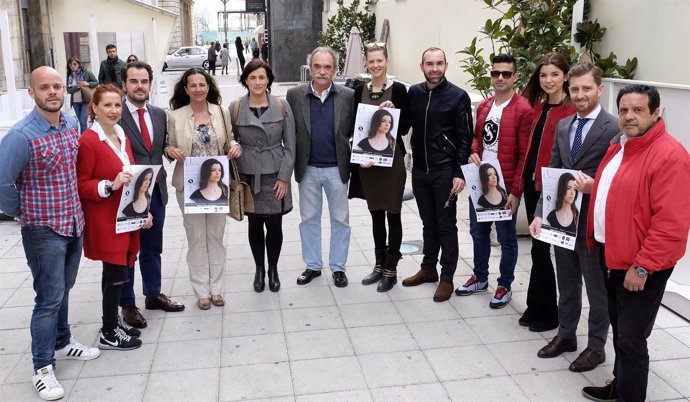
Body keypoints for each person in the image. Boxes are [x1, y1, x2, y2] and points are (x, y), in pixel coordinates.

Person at [581, 85, 690, 401]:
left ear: (656, 113)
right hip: (612, 255)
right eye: (624, 110)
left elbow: (671, 225)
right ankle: (621, 384)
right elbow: (622, 195)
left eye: (638, 110)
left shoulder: (670, 156)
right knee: (621, 331)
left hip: (640, 266)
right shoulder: (622, 147)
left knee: (631, 338)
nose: (629, 116)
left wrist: (641, 268)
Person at [0, 66, 101, 401]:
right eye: (45, 87)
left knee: (64, 288)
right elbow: (3, 185)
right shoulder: (20, 136)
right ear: (32, 93)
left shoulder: (72, 122)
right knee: (47, 299)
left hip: (73, 223)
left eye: (58, 86)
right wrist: (25, 212)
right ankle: (42, 368)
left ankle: (63, 339)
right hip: (44, 230)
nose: (53, 92)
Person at [529, 62, 618, 373]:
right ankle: (566, 335)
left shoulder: (615, 128)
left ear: (600, 89)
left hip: (595, 225)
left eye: (586, 89)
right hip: (562, 221)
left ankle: (596, 347)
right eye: (575, 89)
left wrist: (595, 186)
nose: (580, 95)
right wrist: (541, 214)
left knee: (597, 289)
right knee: (566, 283)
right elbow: (551, 174)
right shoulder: (564, 126)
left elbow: (621, 179)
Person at [455, 53, 531, 309]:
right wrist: (474, 151)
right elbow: (477, 137)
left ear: (515, 77)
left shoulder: (523, 110)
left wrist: (516, 191)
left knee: (507, 237)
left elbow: (524, 155)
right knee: (478, 232)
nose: (500, 78)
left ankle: (504, 284)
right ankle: (480, 277)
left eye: (506, 74)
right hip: (480, 181)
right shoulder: (485, 106)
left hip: (506, 184)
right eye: (496, 73)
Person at [76, 84, 146, 353]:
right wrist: (109, 185)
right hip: (104, 217)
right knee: (117, 273)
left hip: (126, 215)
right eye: (107, 105)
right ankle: (108, 332)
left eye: (117, 105)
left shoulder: (120, 134)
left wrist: (143, 210)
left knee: (118, 271)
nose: (114, 110)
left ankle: (112, 322)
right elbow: (81, 184)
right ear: (94, 107)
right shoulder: (88, 142)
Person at [165, 68, 241, 310]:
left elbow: (230, 139)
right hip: (189, 187)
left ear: (208, 87)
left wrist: (235, 146)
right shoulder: (175, 116)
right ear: (186, 89)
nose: (198, 89)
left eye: (202, 84)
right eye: (193, 85)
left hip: (218, 185)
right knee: (196, 238)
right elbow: (168, 145)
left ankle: (216, 289)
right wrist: (170, 151)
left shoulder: (221, 111)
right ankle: (201, 291)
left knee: (215, 237)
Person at [402, 47, 473, 302]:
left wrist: (459, 172)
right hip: (420, 170)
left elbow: (465, 138)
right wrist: (388, 109)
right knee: (428, 223)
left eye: (439, 63)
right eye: (429, 64)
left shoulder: (458, 96)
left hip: (445, 172)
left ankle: (447, 277)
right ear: (422, 67)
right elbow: (403, 126)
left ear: (446, 65)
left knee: (446, 226)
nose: (434, 68)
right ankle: (428, 268)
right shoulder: (415, 93)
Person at [119, 61, 184, 329]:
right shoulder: (115, 114)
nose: (139, 86)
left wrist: (169, 151)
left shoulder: (159, 114)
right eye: (133, 81)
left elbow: (162, 146)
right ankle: (127, 304)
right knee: (127, 251)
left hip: (155, 189)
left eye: (144, 81)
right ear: (124, 85)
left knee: (152, 247)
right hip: (125, 195)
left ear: (150, 83)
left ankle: (153, 294)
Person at [286, 47, 355, 288]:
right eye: (318, 66)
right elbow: (289, 130)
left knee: (340, 220)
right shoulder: (294, 95)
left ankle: (338, 267)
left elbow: (360, 129)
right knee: (309, 220)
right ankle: (313, 265)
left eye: (327, 67)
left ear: (335, 70)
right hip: (308, 168)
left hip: (338, 168)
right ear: (310, 68)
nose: (322, 71)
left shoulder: (347, 95)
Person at [518, 51, 576, 332]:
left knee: (548, 253)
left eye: (554, 74)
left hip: (555, 189)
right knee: (538, 251)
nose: (548, 80)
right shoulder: (539, 107)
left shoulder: (572, 110)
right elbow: (531, 150)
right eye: (543, 75)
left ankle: (550, 315)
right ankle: (536, 307)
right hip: (534, 186)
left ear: (565, 75)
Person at [230, 59, 296, 293]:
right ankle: (259, 268)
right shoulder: (236, 107)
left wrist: (284, 177)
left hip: (275, 173)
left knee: (275, 224)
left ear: (268, 79)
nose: (257, 82)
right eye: (252, 78)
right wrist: (234, 146)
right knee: (254, 224)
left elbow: (290, 145)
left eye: (262, 77)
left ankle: (273, 268)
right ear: (245, 80)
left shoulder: (281, 105)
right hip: (248, 173)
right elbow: (230, 137)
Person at [354, 43, 411, 292]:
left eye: (380, 61)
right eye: (371, 61)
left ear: (387, 61)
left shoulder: (398, 90)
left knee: (393, 214)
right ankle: (378, 265)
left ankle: (391, 269)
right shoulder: (358, 90)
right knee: (376, 213)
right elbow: (355, 129)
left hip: (392, 163)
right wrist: (358, 155)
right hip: (368, 163)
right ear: (366, 63)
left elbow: (407, 126)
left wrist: (395, 111)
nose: (376, 65)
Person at [65, 57, 97, 133]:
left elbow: (96, 82)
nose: (73, 66)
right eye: (70, 65)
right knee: (80, 121)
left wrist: (88, 83)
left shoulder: (86, 73)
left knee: (83, 121)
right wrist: (77, 87)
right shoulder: (69, 77)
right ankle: (85, 137)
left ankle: (83, 140)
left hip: (85, 100)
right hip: (75, 102)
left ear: (79, 64)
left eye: (75, 64)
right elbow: (69, 90)